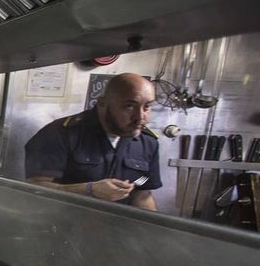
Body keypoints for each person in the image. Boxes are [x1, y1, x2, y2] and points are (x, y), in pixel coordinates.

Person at [24, 72, 161, 210]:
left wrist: (153, 229)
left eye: (147, 107)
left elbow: (142, 193)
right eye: (129, 106)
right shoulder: (61, 133)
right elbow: (36, 188)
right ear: (102, 104)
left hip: (116, 229)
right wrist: (89, 190)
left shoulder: (148, 143)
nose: (140, 117)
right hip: (60, 226)